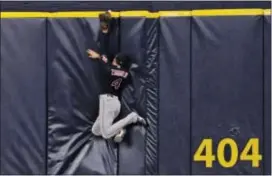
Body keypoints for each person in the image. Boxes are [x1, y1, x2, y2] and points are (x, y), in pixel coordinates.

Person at [86, 49, 147, 143]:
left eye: (115, 59)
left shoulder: (110, 69)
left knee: (106, 134)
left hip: (107, 102)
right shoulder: (127, 74)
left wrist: (99, 56)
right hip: (115, 104)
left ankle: (132, 117)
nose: (113, 60)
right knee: (95, 130)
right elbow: (114, 69)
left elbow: (106, 65)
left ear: (118, 63)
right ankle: (119, 129)